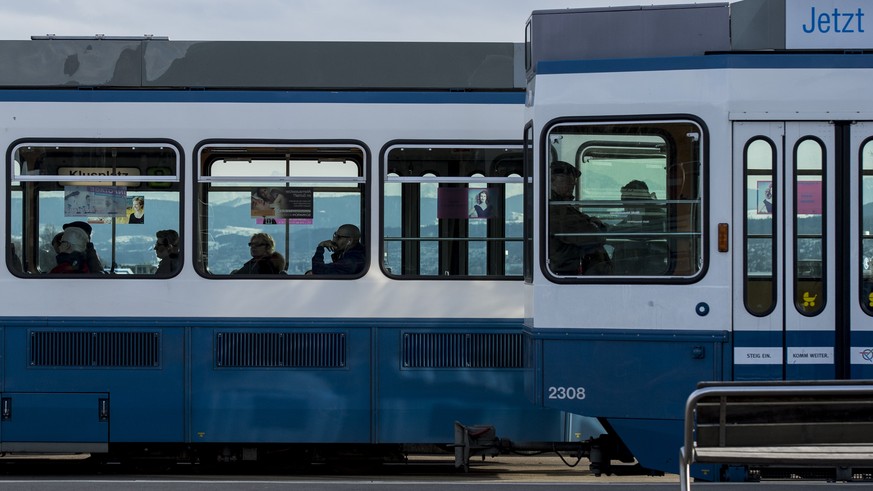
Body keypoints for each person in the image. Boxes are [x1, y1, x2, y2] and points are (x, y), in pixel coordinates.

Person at [548, 160, 611, 275]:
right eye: (567, 180)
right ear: (552, 181)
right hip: (565, 271)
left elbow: (585, 224)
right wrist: (596, 225)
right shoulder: (555, 209)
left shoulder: (563, 206)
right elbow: (593, 236)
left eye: (573, 181)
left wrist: (593, 224)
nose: (573, 184)